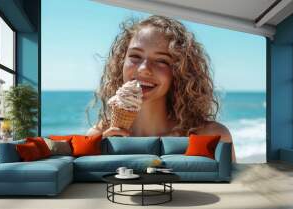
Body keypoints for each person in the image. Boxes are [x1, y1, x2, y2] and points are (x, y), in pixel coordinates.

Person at [86, 15, 235, 161]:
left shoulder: (213, 137)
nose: (144, 69)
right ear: (120, 62)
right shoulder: (97, 138)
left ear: (180, 71)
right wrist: (103, 153)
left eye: (161, 60)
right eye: (135, 56)